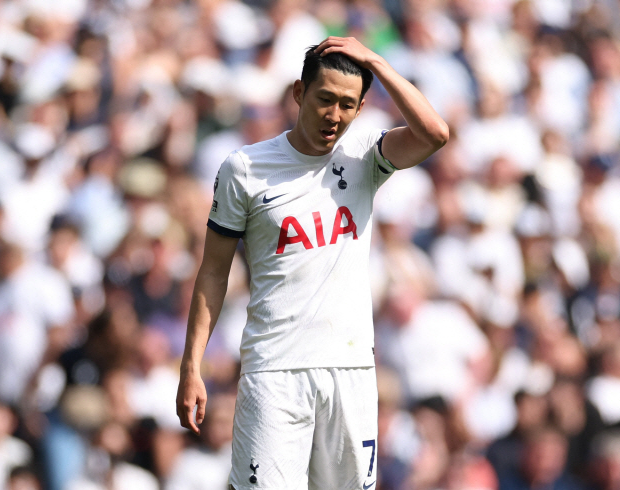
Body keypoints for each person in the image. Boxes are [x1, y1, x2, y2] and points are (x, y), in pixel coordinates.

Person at [176, 36, 449, 490]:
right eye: (325, 99)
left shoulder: (364, 155)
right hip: (273, 371)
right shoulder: (244, 168)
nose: (334, 115)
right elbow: (212, 271)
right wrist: (191, 366)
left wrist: (376, 61)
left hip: (351, 372)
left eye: (347, 104)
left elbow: (435, 133)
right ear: (299, 94)